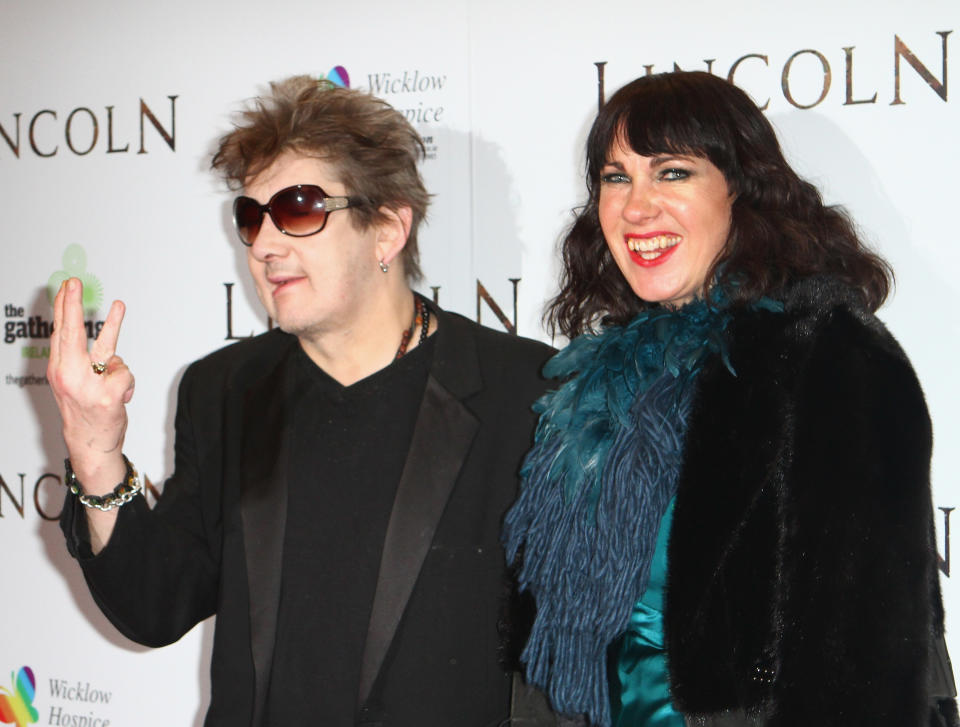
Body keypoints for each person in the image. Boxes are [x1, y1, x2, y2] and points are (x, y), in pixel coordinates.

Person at [49, 76, 554, 726]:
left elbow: (568, 657)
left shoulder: (526, 392)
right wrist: (95, 454)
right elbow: (156, 602)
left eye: (298, 207)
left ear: (388, 229)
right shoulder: (223, 391)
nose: (263, 244)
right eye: (251, 216)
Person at [502, 71, 958, 727]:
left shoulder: (825, 356)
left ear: (740, 189)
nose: (636, 206)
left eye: (672, 173)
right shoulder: (598, 385)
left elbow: (870, 665)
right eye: (615, 177)